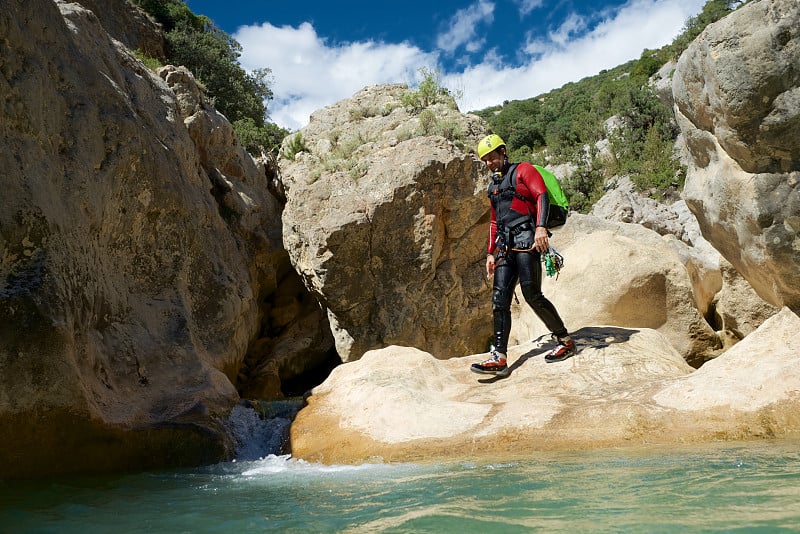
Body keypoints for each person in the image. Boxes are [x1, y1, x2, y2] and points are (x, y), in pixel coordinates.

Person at [470, 134, 576, 375]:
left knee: (531, 294)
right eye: (485, 160)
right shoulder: (493, 187)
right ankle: (499, 357)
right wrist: (489, 253)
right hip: (505, 246)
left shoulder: (523, 170)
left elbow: (541, 196)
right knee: (499, 299)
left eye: (492, 157)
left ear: (503, 151)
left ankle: (565, 341)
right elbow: (494, 222)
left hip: (527, 238)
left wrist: (540, 228)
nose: (489, 163)